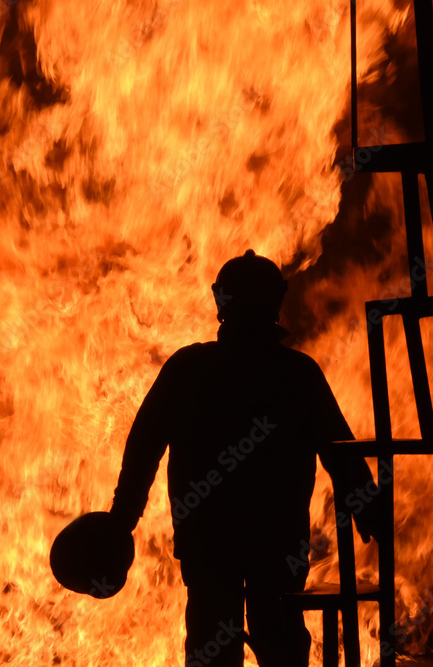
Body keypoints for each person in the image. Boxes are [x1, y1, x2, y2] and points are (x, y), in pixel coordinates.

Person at [109, 250, 379, 666]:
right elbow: (339, 450)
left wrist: (121, 521)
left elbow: (144, 446)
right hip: (278, 540)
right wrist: (369, 511)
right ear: (278, 300)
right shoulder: (296, 373)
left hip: (207, 539)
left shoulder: (189, 368)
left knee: (212, 644)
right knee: (281, 641)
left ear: (221, 300)